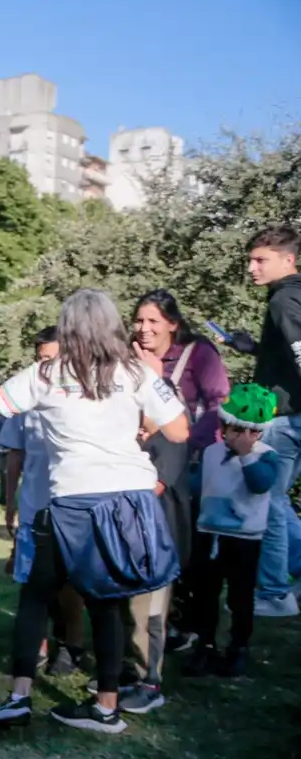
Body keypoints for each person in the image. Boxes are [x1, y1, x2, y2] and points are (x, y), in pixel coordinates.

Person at [0, 290, 188, 733]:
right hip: (129, 497)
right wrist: (134, 430)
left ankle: (19, 696)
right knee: (107, 603)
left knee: (36, 594)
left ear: (67, 327)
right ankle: (106, 707)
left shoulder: (46, 373)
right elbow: (180, 430)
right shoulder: (137, 371)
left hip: (70, 500)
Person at [0, 328, 86, 676]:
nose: (45, 366)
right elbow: (15, 455)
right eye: (41, 359)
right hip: (35, 505)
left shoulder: (85, 399)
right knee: (33, 581)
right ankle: (37, 647)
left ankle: (71, 645)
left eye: (51, 359)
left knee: (68, 584)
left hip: (71, 503)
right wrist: (10, 502)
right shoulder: (27, 398)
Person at [183, 386, 281, 678]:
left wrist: (247, 456)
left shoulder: (266, 456)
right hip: (208, 532)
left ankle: (238, 647)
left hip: (243, 537)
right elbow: (200, 485)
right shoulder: (211, 452)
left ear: (256, 433)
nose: (234, 435)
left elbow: (261, 484)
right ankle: (206, 644)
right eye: (229, 428)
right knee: (204, 593)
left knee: (240, 596)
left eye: (243, 430)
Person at [229, 227, 301, 618]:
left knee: (268, 504)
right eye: (251, 259)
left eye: (261, 260)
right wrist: (254, 349)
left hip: (286, 421)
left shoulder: (283, 301)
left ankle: (275, 594)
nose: (252, 267)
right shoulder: (293, 296)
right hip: (293, 417)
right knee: (280, 501)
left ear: (288, 260)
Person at [119, 410, 192, 712]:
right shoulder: (147, 440)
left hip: (159, 546)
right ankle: (132, 675)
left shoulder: (171, 440)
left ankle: (150, 683)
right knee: (131, 611)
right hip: (139, 541)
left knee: (148, 617)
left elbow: (153, 489)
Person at [130, 289, 229, 455]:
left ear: (173, 324)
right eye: (139, 321)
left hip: (188, 455)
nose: (144, 328)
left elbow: (219, 400)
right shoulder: (126, 355)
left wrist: (192, 441)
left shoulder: (198, 352)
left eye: (153, 321)